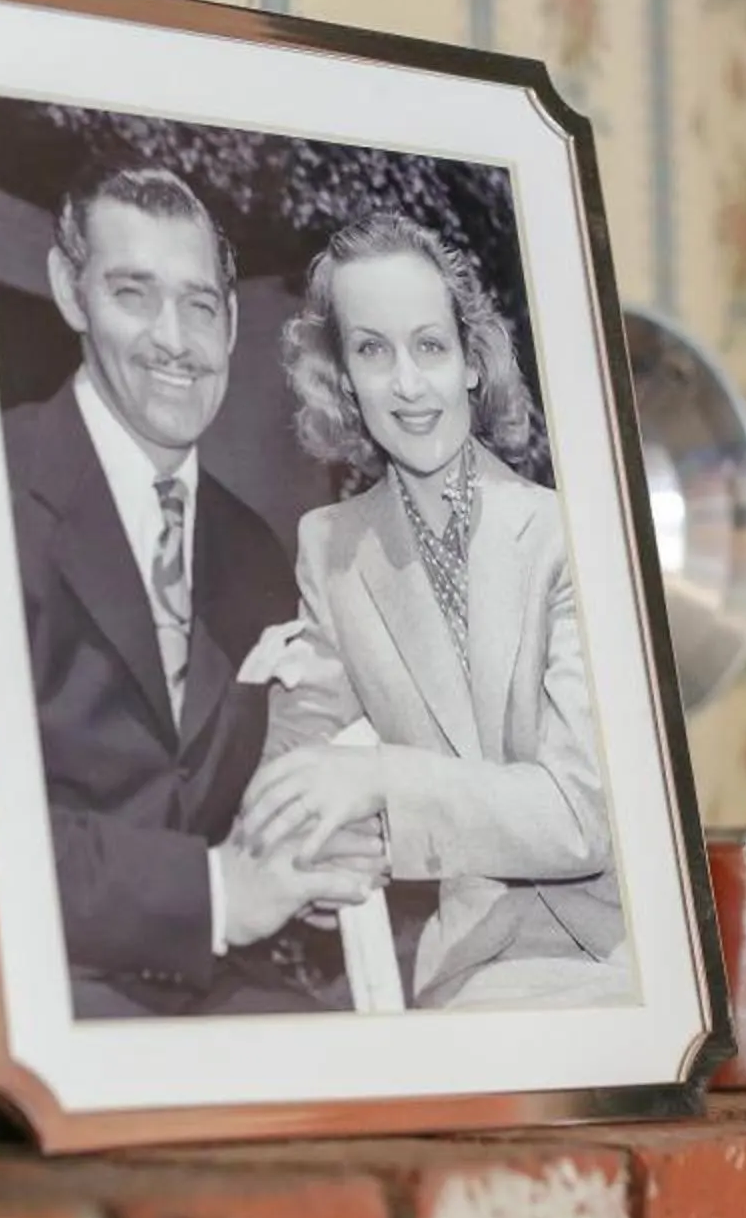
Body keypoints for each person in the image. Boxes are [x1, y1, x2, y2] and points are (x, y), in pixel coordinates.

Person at [3, 164, 381, 1018]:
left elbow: (222, 807)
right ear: (71, 291)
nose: (174, 340)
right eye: (133, 293)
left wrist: (307, 855)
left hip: (212, 986)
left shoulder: (252, 551)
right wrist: (217, 891)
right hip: (46, 988)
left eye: (200, 305)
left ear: (232, 320)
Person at [235, 209, 634, 1010]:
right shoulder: (332, 549)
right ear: (343, 377)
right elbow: (293, 772)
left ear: (472, 363)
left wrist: (381, 780)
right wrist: (309, 843)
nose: (408, 386)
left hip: (623, 969)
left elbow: (578, 815)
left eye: (429, 346)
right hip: (470, 978)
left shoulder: (570, 535)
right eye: (373, 351)